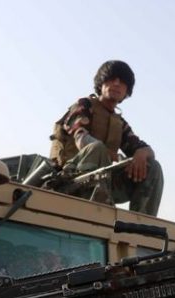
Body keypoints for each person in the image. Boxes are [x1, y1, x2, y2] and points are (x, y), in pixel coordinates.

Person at [49, 60, 164, 216]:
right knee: (96, 148)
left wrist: (142, 153)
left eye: (122, 81)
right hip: (70, 179)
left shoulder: (119, 123)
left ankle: (141, 222)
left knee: (152, 167)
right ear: (101, 84)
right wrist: (116, 157)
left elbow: (141, 146)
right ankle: (95, 211)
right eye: (111, 79)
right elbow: (81, 138)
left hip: (103, 181)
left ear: (127, 90)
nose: (116, 84)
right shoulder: (84, 106)